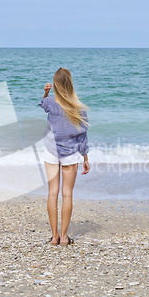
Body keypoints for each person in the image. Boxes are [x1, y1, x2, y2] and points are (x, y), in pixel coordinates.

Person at [39, 68, 90, 246]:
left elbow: (42, 104)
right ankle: (64, 237)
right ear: (70, 84)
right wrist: (85, 158)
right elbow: (82, 135)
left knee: (52, 193)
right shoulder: (77, 107)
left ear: (54, 86)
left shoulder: (51, 103)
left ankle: (54, 236)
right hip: (70, 154)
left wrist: (45, 93)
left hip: (51, 151)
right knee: (67, 194)